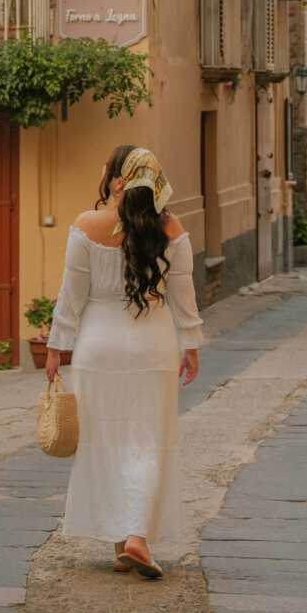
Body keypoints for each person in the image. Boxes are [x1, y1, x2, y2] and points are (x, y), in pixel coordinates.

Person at [45, 143, 203, 580]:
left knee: (106, 442)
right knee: (147, 442)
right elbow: (184, 297)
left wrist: (56, 348)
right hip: (153, 346)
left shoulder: (86, 226)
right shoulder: (172, 230)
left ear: (117, 180)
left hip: (98, 349)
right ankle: (133, 538)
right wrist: (191, 346)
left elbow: (71, 297)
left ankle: (128, 539)